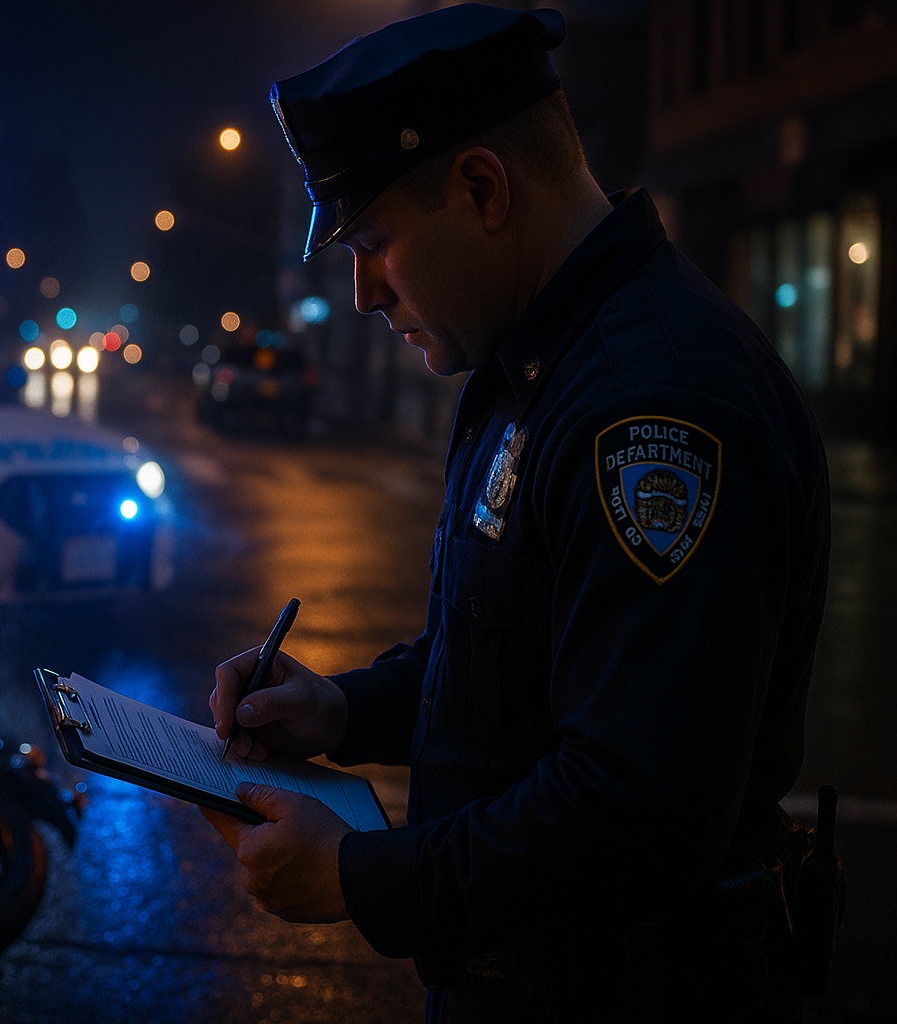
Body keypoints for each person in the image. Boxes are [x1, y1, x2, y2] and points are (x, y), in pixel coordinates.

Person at [201, 5, 831, 1022]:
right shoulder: (533, 367)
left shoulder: (655, 403)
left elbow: (640, 808)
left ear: (483, 188)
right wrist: (345, 710)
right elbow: (521, 665)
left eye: (375, 241)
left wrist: (362, 878)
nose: (362, 292)